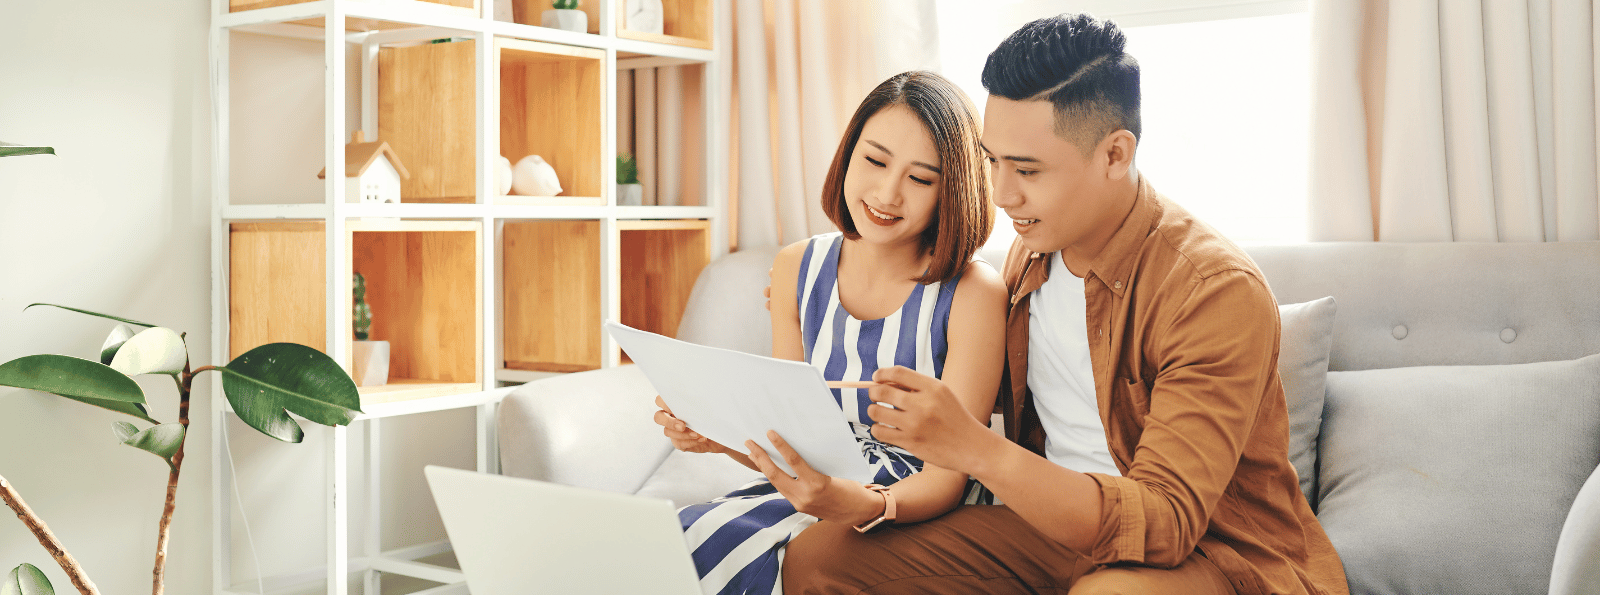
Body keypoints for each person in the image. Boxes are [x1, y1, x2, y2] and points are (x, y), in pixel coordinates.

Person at [779, 13, 1350, 595]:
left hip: (1211, 555)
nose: (1002, 195)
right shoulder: (1028, 257)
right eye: (993, 161)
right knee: (819, 559)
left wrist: (978, 450)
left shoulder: (1213, 292)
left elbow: (1166, 525)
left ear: (1115, 155)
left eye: (1027, 169)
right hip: (1049, 533)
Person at [651, 71, 1009, 595]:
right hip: (813, 492)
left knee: (750, 554)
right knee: (684, 538)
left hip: (918, 505)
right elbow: (786, 438)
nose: (888, 193)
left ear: (951, 190)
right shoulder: (798, 267)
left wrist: (863, 503)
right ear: (848, 153)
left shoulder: (973, 292)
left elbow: (949, 476)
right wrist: (715, 435)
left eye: (921, 178)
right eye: (876, 160)